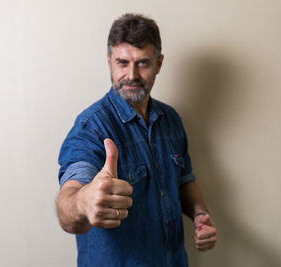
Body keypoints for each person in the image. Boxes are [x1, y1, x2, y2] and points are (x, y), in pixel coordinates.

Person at [56, 13, 217, 266]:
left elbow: (185, 180)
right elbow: (68, 205)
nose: (131, 75)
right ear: (109, 61)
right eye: (122, 62)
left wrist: (200, 214)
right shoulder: (91, 127)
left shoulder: (171, 120)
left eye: (142, 63)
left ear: (159, 63)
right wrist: (83, 202)